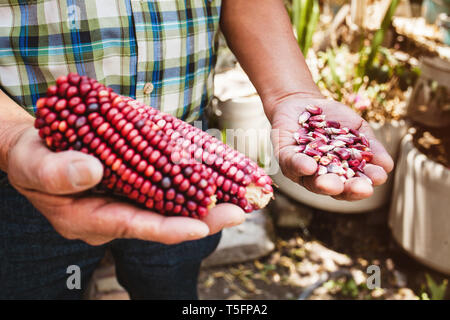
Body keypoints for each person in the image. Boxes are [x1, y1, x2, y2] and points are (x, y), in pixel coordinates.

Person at [0, 0, 393, 299]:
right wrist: (12, 137)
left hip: (191, 167)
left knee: (170, 280)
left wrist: (293, 92)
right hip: (30, 170)